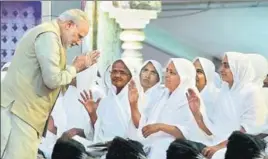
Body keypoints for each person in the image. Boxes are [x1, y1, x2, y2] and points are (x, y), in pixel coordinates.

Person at [1, 9, 100, 159]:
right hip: (21, 112)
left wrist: (72, 69)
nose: (78, 42)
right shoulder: (49, 36)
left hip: (26, 113)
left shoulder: (52, 37)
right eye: (79, 36)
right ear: (68, 25)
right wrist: (76, 68)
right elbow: (52, 80)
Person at [187, 52, 267, 158]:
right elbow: (212, 131)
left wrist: (219, 147)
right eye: (222, 65)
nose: (221, 70)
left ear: (238, 68)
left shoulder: (252, 92)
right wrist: (197, 112)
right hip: (214, 146)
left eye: (227, 66)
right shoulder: (224, 91)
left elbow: (248, 131)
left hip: (234, 151)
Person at [79, 59, 134, 143]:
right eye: (114, 71)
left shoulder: (135, 100)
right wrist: (92, 113)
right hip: (102, 150)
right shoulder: (104, 102)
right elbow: (93, 134)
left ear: (130, 76)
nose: (117, 75)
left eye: (122, 72)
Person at [127, 60, 166, 141]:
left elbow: (142, 126)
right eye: (145, 70)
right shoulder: (136, 92)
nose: (147, 75)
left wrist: (133, 104)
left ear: (158, 78)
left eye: (153, 73)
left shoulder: (159, 97)